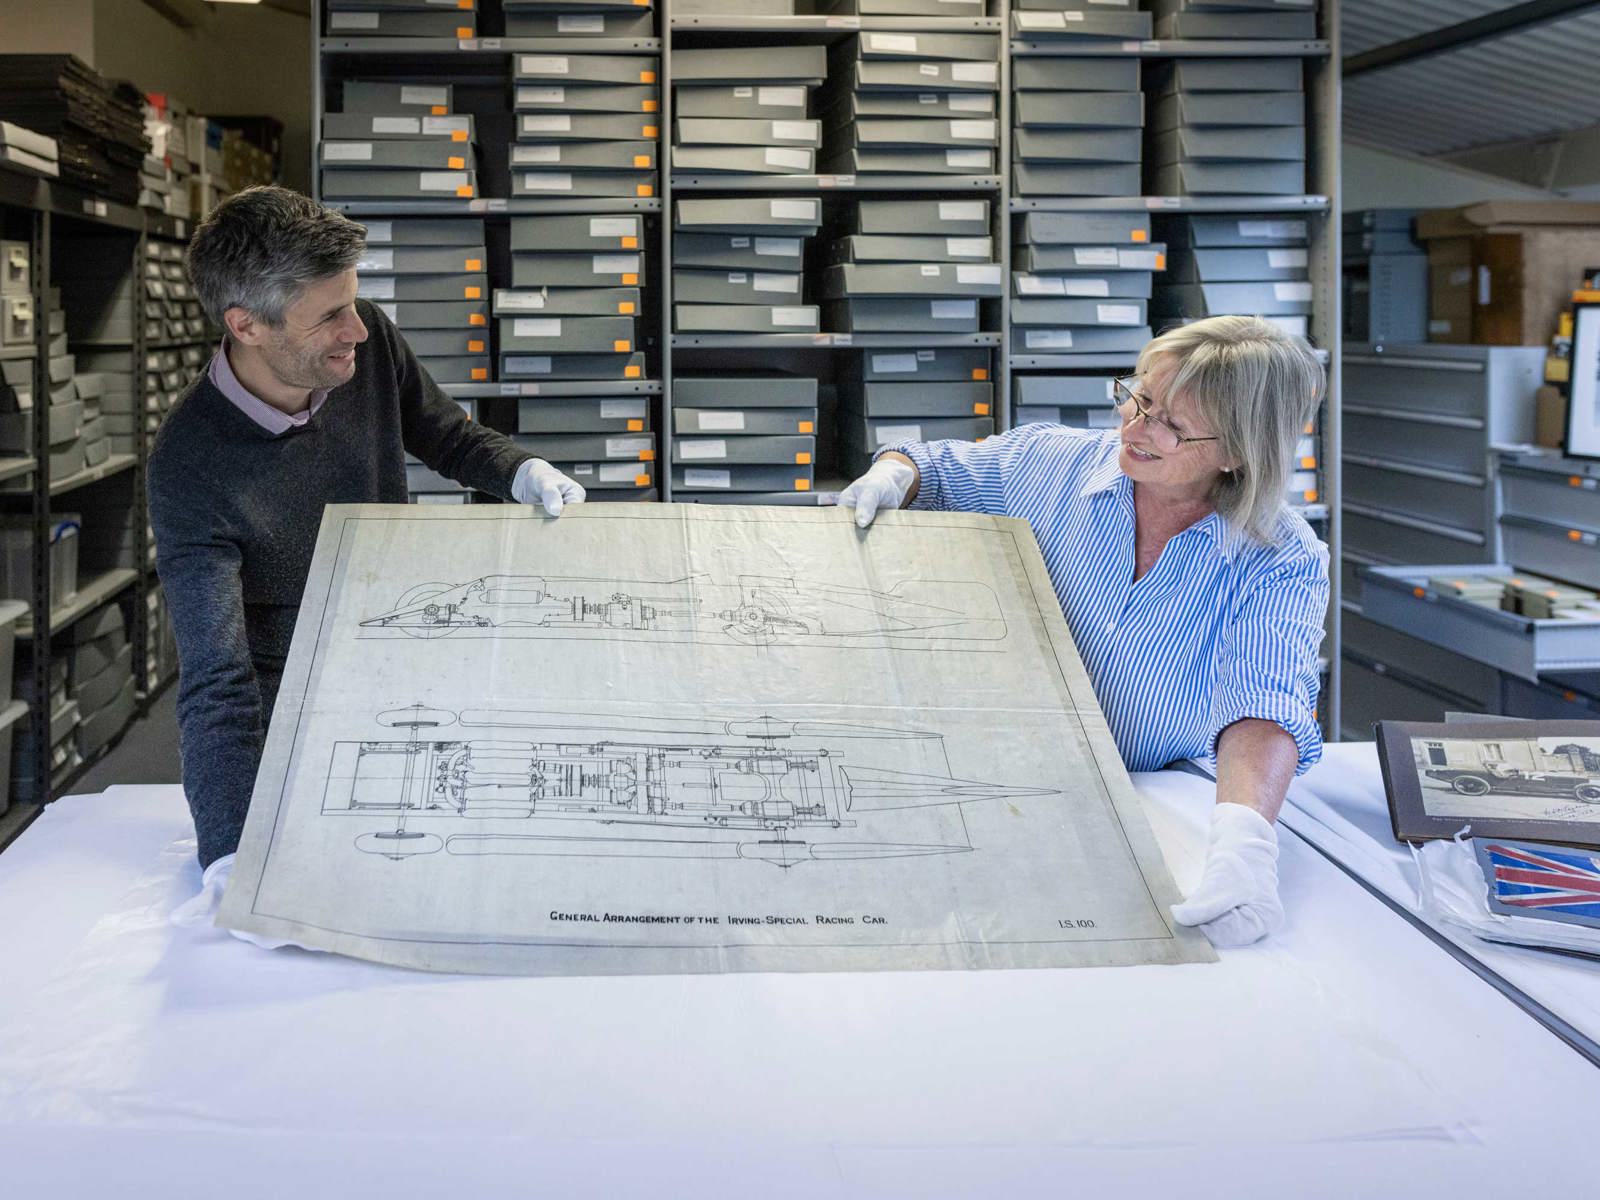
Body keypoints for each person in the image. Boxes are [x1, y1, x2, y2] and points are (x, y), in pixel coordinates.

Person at [153, 186, 585, 922]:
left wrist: (519, 470)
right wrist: (226, 849)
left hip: (403, 655)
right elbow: (217, 679)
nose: (356, 327)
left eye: (354, 302)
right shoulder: (190, 465)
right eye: (328, 315)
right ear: (245, 325)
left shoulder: (366, 340)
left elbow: (445, 434)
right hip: (292, 710)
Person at [838, 315, 1329, 948]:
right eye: (1139, 398)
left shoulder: (1280, 554)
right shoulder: (1051, 463)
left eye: (1171, 426)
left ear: (1237, 452)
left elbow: (1264, 701)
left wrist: (1244, 840)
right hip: (990, 776)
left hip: (1143, 791)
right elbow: (937, 468)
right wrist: (895, 475)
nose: (1136, 428)